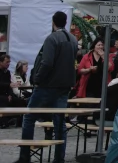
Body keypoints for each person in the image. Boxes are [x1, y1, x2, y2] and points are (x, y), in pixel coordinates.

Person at [16, 11, 78, 163]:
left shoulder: (52, 38)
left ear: (53, 22)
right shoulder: (73, 39)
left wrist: (37, 78)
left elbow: (47, 62)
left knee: (29, 117)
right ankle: (59, 158)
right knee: (59, 120)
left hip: (47, 85)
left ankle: (25, 156)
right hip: (65, 86)